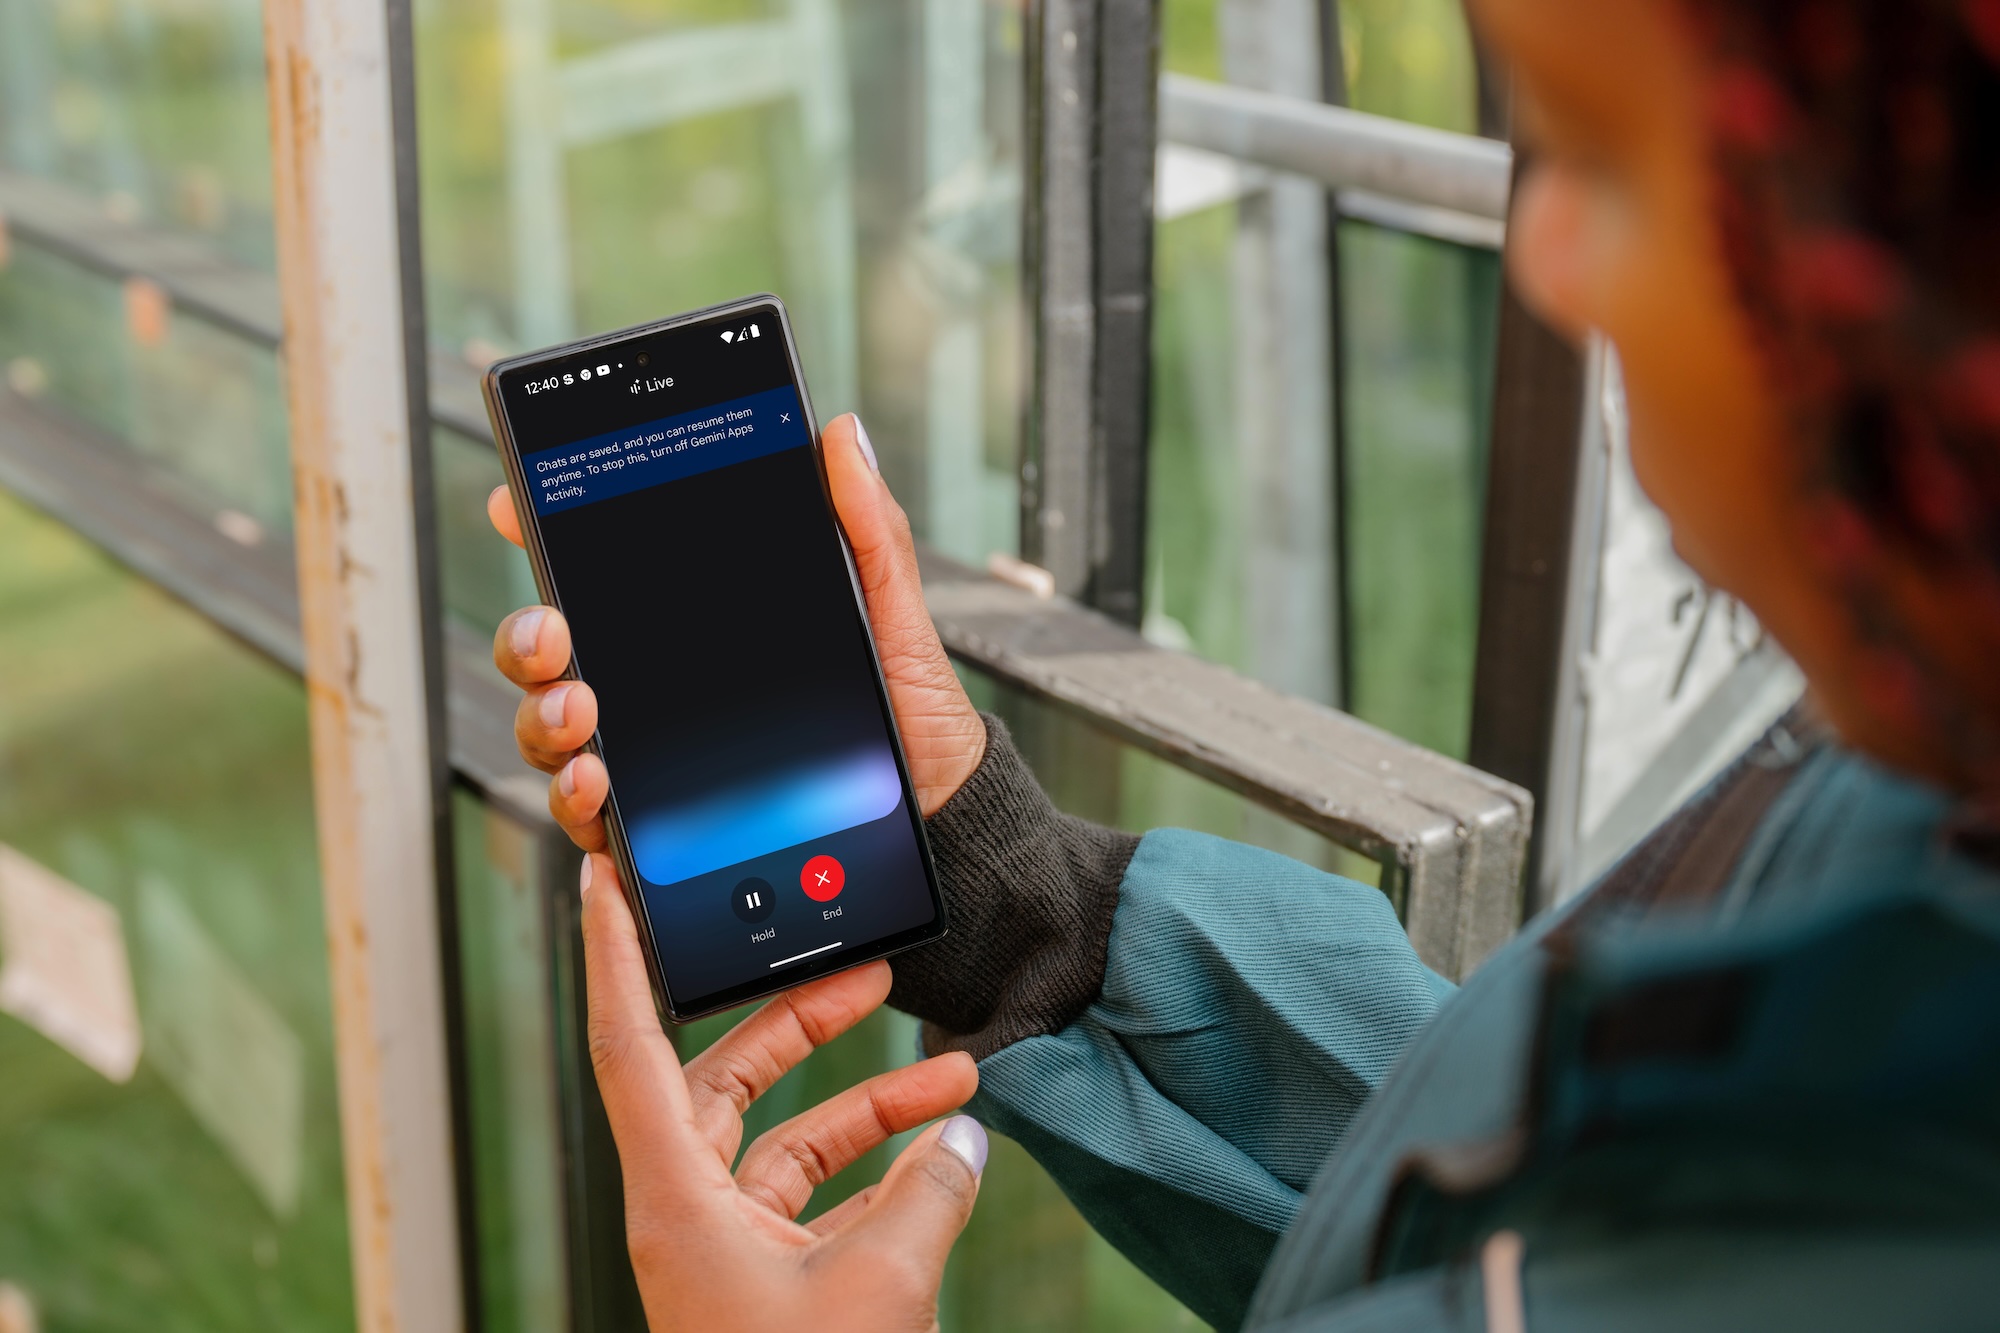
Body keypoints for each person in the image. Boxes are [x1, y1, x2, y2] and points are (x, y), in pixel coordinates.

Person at [482, 0, 2000, 1326]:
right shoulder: (1919, 806)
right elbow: (1536, 1187)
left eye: (1599, 151)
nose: (1539, 261)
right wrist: (1009, 898)